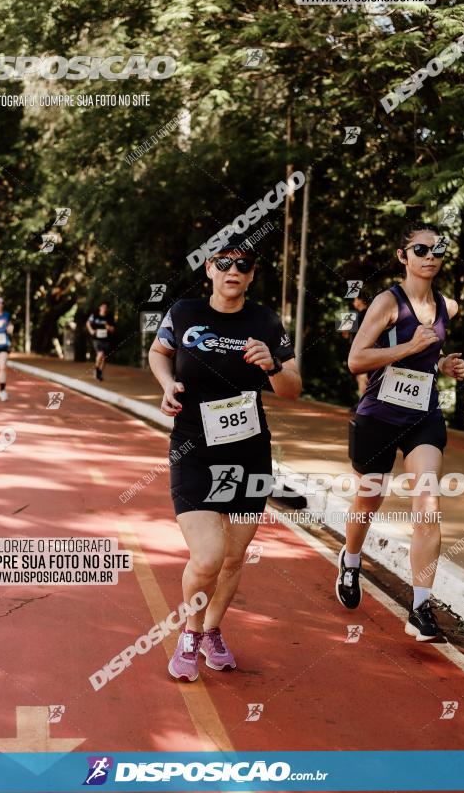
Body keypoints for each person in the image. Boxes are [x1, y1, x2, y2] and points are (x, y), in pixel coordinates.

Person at [149, 233, 302, 681]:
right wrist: (166, 385)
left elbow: (292, 390)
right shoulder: (184, 313)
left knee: (235, 557)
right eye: (224, 262)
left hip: (249, 451)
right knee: (209, 554)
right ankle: (189, 634)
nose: (233, 270)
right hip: (194, 446)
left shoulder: (267, 321)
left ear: (252, 275)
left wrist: (272, 365)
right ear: (209, 269)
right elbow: (160, 353)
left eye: (243, 265)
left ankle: (213, 630)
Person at [335, 222, 464, 641]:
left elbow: (433, 356)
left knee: (427, 505)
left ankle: (421, 608)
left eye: (437, 249)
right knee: (369, 498)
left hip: (423, 417)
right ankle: (351, 559)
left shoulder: (449, 306)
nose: (430, 256)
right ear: (402, 256)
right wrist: (408, 347)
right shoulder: (386, 303)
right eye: (421, 249)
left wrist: (445, 366)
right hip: (378, 417)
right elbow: (356, 359)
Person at [86, 302, 115, 381]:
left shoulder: (109, 317)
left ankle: (99, 372)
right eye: (103, 307)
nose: (104, 309)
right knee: (100, 353)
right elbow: (88, 323)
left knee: (104, 357)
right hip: (97, 339)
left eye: (105, 307)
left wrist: (108, 327)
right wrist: (91, 330)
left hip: (106, 339)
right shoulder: (95, 315)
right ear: (100, 307)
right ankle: (97, 369)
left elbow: (113, 329)